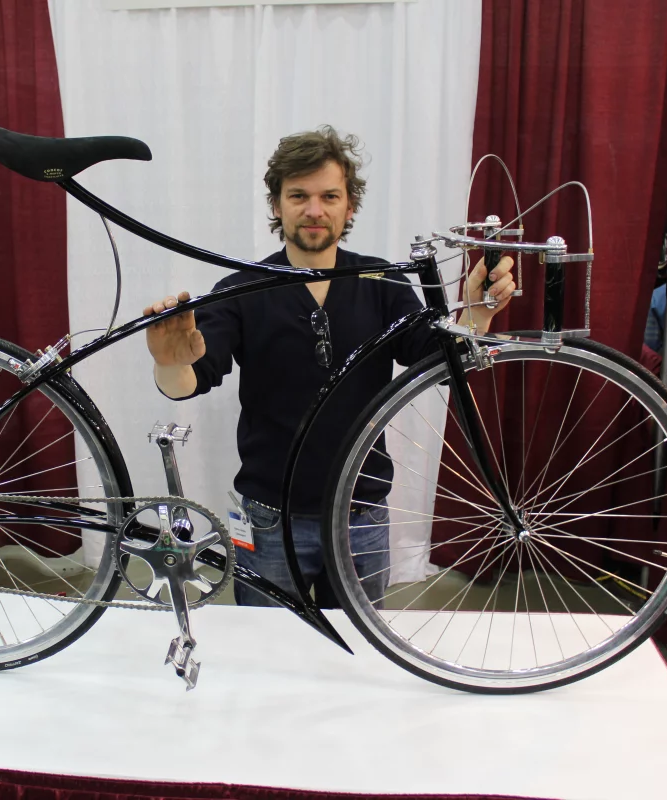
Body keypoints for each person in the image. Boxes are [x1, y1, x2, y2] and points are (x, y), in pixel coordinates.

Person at [143, 126, 516, 608]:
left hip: (360, 518)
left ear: (350, 206)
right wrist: (171, 362)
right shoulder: (242, 290)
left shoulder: (381, 282)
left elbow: (436, 357)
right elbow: (190, 376)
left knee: (359, 660)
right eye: (298, 195)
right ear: (276, 205)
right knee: (270, 655)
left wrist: (476, 312)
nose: (314, 210)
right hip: (269, 521)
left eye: (329, 196)